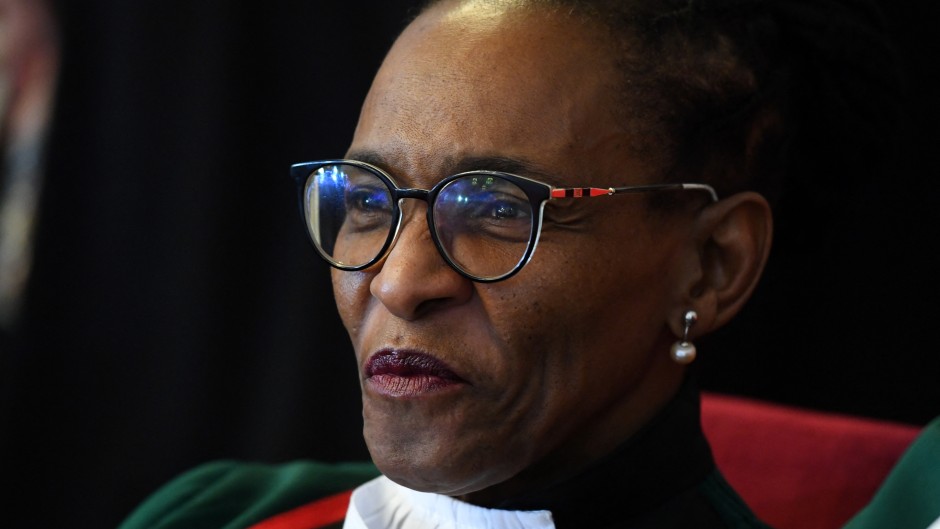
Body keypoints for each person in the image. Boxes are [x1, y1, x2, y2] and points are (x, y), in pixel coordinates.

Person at [119, 0, 899, 528]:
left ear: (711, 265)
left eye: (496, 208)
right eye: (366, 199)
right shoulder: (223, 512)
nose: (398, 281)